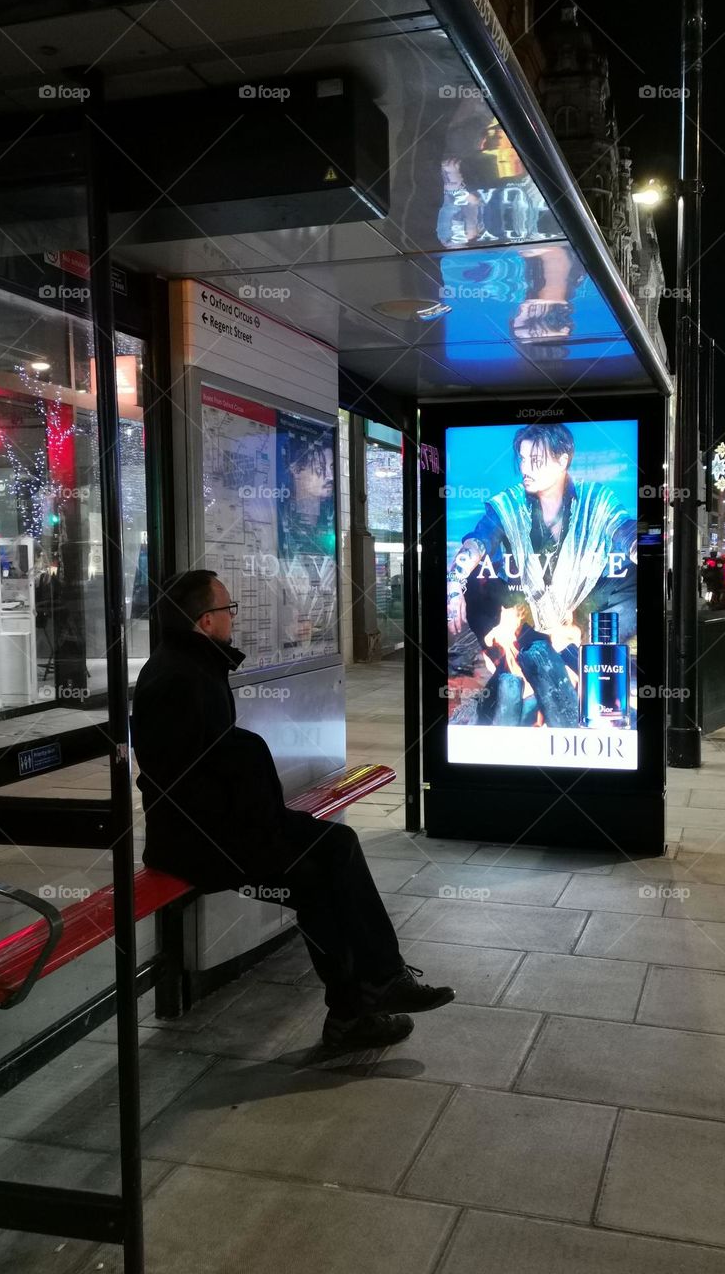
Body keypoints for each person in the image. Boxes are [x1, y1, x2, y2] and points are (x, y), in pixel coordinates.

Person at [131, 570, 455, 1051]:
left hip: (224, 830)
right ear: (204, 621)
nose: (233, 619)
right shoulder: (179, 678)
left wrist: (267, 820)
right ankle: (360, 1006)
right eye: (228, 610)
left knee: (336, 847)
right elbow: (185, 786)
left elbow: (215, 768)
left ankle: (376, 987)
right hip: (199, 844)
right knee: (319, 880)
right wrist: (267, 830)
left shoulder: (192, 665)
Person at [445, 422, 636, 728]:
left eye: (536, 460)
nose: (525, 468)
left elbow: (625, 529)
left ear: (563, 459)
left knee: (626, 589)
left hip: (584, 617)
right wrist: (455, 582)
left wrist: (643, 549)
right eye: (521, 459)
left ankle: (598, 697)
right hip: (527, 621)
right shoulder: (509, 504)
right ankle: (511, 699)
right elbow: (479, 540)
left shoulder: (595, 499)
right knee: (483, 595)